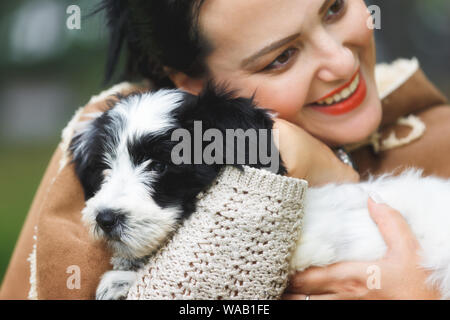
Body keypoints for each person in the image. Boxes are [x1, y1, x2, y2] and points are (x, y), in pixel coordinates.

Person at [1, 0, 449, 299]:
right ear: (191, 85)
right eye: (281, 57)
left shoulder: (437, 138)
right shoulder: (105, 142)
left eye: (333, 8)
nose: (343, 61)